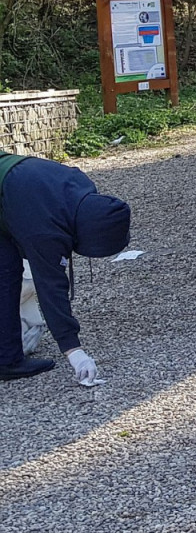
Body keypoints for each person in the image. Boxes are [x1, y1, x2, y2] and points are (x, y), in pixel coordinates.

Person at [0, 150, 130, 384]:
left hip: (11, 191)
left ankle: (6, 360)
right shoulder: (45, 229)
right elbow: (50, 285)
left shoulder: (82, 187)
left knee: (5, 271)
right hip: (12, 192)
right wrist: (73, 350)